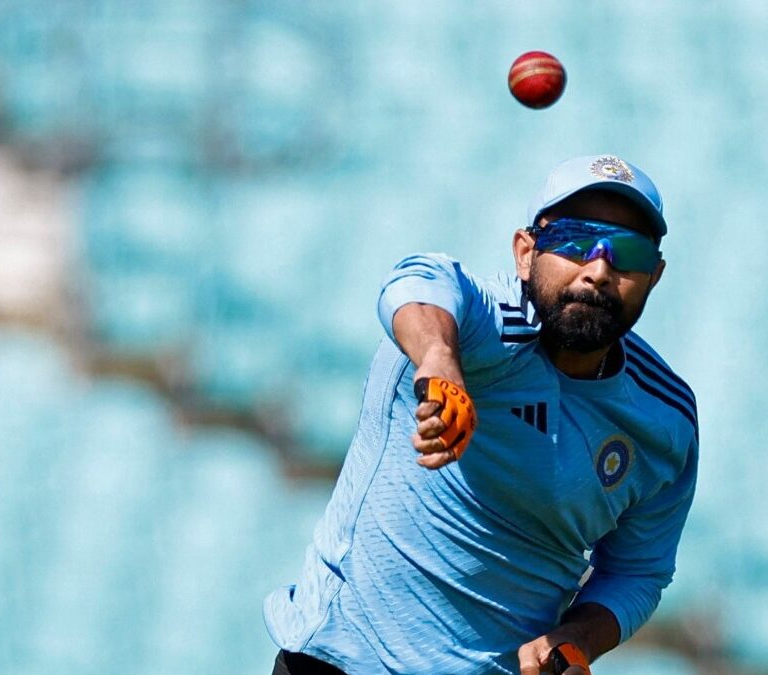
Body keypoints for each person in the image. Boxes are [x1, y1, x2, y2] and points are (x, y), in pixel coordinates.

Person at [265, 155, 699, 675]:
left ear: (654, 275)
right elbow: (416, 280)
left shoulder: (665, 418)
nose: (599, 269)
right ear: (524, 253)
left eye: (627, 251)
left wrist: (578, 636)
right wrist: (439, 360)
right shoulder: (482, 328)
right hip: (336, 663)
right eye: (574, 239)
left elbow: (638, 572)